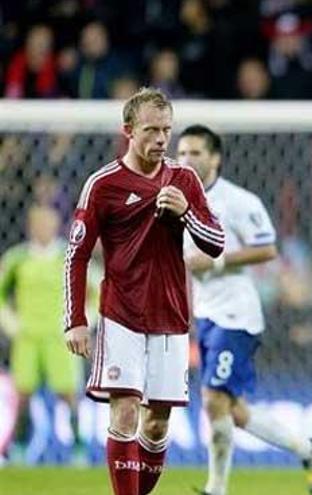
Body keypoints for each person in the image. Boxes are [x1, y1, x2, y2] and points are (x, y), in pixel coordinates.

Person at [64, 87, 225, 495]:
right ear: (128, 131)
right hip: (121, 314)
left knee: (157, 422)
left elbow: (216, 243)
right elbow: (77, 255)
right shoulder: (104, 184)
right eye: (151, 130)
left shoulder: (184, 180)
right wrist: (76, 321)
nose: (160, 139)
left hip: (170, 315)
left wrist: (186, 214)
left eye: (166, 130)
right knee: (124, 411)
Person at [177, 125, 312, 495]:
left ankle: (216, 488)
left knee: (213, 399)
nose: (186, 160)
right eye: (181, 153)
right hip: (207, 314)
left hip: (236, 314)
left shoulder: (238, 201)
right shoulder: (177, 200)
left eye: (195, 153)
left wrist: (215, 262)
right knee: (234, 410)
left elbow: (267, 248)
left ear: (215, 158)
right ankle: (308, 448)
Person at [0, 206, 88, 463]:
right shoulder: (17, 258)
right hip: (26, 337)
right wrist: (10, 322)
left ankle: (79, 447)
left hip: (60, 338)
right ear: (30, 226)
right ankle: (18, 448)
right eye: (38, 223)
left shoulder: (68, 256)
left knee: (69, 394)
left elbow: (95, 290)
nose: (43, 228)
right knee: (24, 395)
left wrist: (83, 320)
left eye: (48, 223)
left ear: (56, 226)